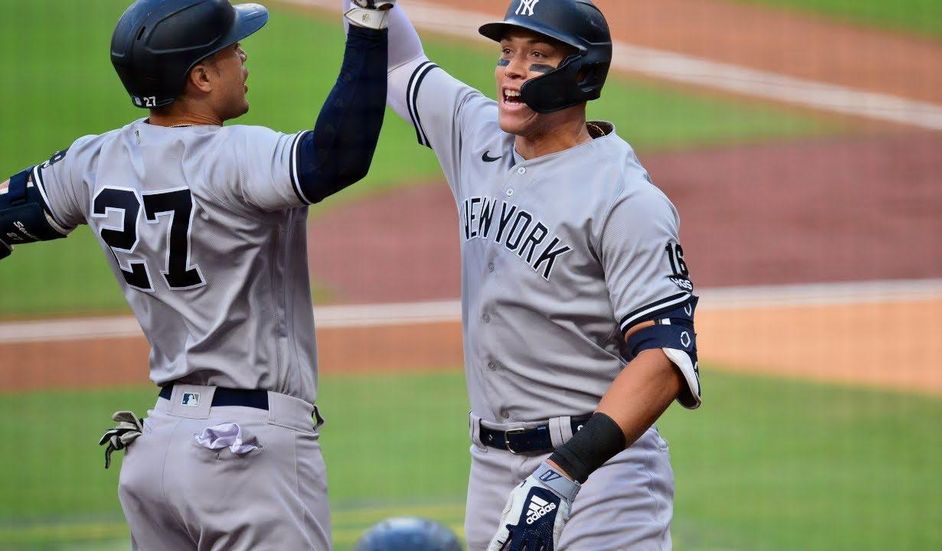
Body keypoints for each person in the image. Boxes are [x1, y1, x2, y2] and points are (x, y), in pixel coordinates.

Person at [0, 0, 395, 548]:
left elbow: (8, 214)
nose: (243, 56)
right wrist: (368, 25)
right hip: (245, 453)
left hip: (158, 450)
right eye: (232, 48)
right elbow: (336, 158)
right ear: (201, 76)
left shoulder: (91, 162)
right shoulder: (234, 156)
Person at [344, 0, 703, 548]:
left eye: (537, 57)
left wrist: (563, 474)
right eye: (506, 53)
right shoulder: (476, 133)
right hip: (490, 467)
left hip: (601, 473)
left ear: (581, 75)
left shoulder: (624, 199)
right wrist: (368, 8)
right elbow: (399, 66)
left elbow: (665, 359)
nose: (511, 70)